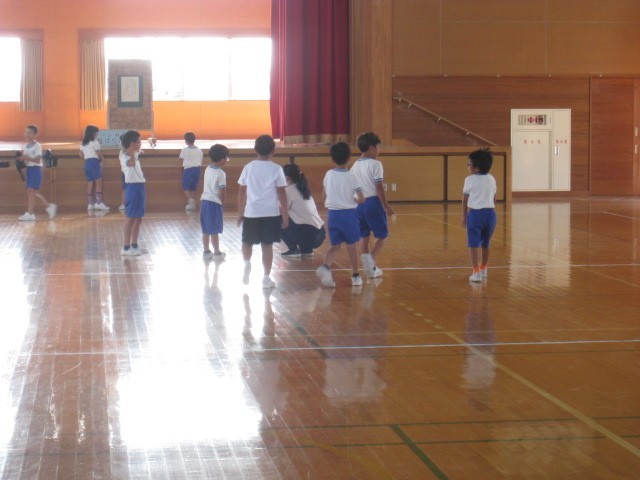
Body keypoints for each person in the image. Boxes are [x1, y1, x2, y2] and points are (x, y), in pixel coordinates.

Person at [237, 135, 288, 289]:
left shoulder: (248, 167)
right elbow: (282, 193)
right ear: (273, 151)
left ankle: (247, 262)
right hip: (271, 213)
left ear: (255, 150)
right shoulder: (276, 169)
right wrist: (285, 215)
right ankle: (266, 278)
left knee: (247, 242)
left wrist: (240, 211)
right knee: (267, 246)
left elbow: (242, 190)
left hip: (252, 212)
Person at [315, 142, 365, 288]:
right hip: (349, 215)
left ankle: (326, 266)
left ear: (332, 158)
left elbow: (324, 196)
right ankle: (356, 275)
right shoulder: (352, 176)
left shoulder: (328, 175)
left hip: (333, 215)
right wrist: (354, 199)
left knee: (335, 245)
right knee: (352, 246)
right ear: (349, 157)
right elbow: (361, 199)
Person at [350, 131, 394, 278]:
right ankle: (371, 260)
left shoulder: (355, 165)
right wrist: (386, 207)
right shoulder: (376, 164)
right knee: (382, 235)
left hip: (358, 204)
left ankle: (371, 270)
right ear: (371, 148)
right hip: (372, 203)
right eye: (378, 147)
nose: (379, 150)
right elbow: (379, 187)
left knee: (363, 236)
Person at [462, 148, 497, 282]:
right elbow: (494, 197)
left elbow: (465, 199)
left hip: (475, 215)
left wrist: (464, 216)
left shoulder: (469, 180)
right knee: (486, 244)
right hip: (490, 214)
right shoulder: (491, 179)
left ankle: (476, 272)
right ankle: (483, 268)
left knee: (473, 245)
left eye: (469, 163)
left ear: (476, 167)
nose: (468, 165)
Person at [280, 163, 326, 257]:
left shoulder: (289, 190)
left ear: (286, 177)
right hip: (320, 234)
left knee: (275, 219)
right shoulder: (302, 188)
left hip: (309, 235)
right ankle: (306, 250)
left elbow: (279, 210)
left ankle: (293, 249)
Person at [17, 125, 57, 221]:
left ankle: (30, 213)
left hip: (36, 170)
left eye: (29, 133)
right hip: (29, 170)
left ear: (35, 135)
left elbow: (38, 160)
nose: (27, 134)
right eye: (26, 132)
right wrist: (21, 162)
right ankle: (48, 207)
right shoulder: (24, 146)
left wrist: (25, 158)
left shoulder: (37, 146)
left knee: (31, 191)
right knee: (31, 192)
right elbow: (25, 161)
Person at [119, 130, 146, 256]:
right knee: (130, 218)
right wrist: (131, 152)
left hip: (140, 187)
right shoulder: (124, 156)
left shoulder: (134, 153)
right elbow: (131, 163)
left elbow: (139, 152)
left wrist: (136, 151)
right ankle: (126, 247)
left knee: (138, 218)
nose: (140, 144)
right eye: (138, 142)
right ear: (132, 144)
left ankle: (134, 245)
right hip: (133, 188)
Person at [201, 144, 229, 260]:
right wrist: (223, 202)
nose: (227, 160)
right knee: (214, 230)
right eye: (227, 158)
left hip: (204, 202)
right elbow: (222, 191)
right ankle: (217, 253)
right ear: (222, 159)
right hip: (214, 203)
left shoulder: (207, 168)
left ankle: (206, 251)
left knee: (206, 229)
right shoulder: (221, 173)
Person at [80, 125, 109, 211]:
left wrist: (87, 156)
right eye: (96, 133)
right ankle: (99, 203)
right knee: (99, 182)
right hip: (94, 163)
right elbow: (99, 154)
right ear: (93, 134)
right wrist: (101, 159)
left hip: (87, 163)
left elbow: (80, 154)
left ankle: (90, 204)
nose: (97, 135)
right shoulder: (95, 142)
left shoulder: (83, 143)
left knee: (90, 183)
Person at [179, 131, 203, 212]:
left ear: (185, 141)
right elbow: (200, 160)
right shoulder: (199, 150)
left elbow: (181, 158)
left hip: (188, 170)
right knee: (193, 188)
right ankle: (191, 205)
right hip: (197, 170)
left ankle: (190, 200)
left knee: (185, 187)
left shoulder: (185, 150)